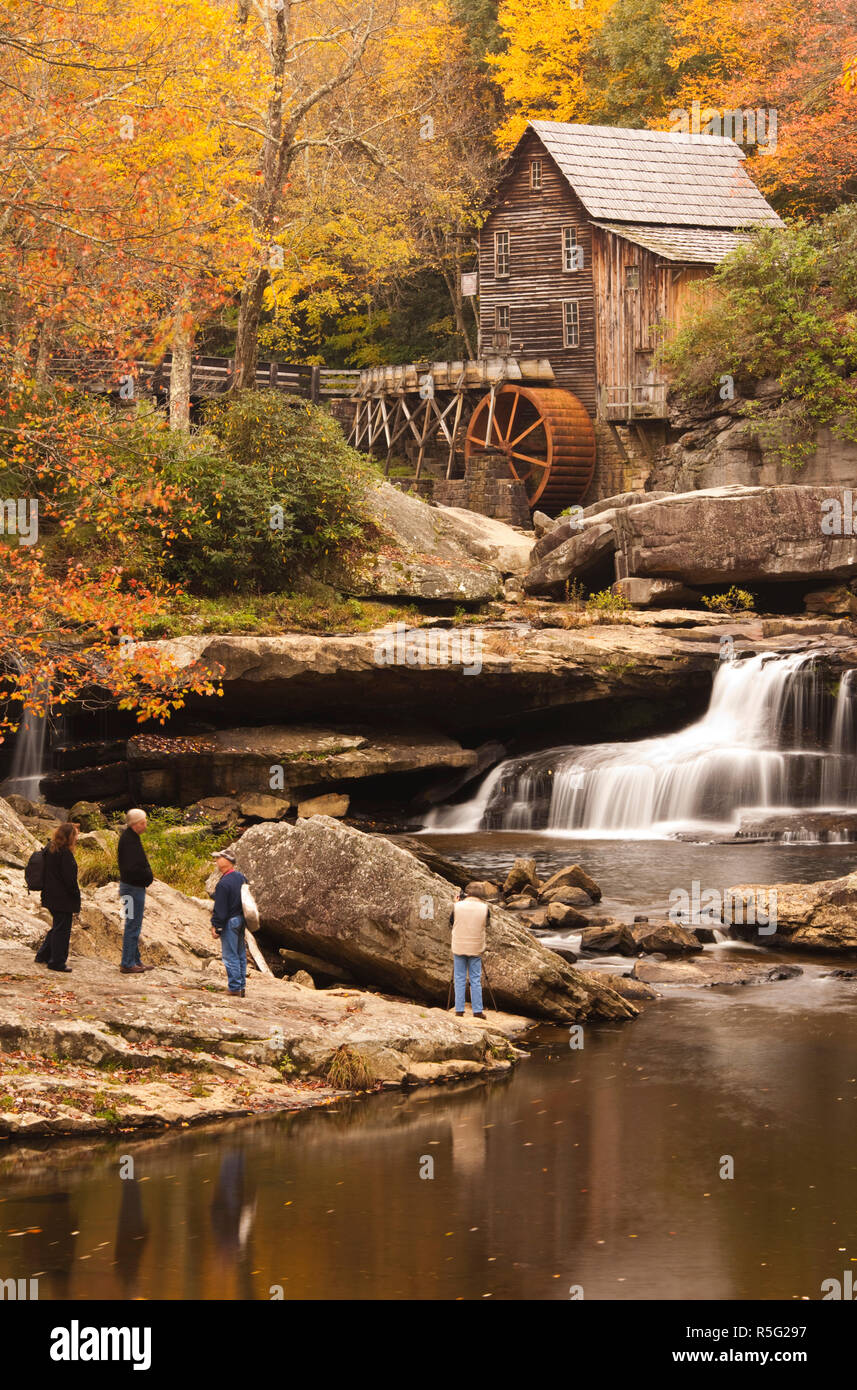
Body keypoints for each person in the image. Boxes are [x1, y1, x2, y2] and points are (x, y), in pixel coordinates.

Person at [35, 821, 81, 973]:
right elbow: (70, 880)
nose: (77, 837)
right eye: (75, 835)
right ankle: (57, 962)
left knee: (57, 926)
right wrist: (76, 895)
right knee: (62, 929)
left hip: (50, 895)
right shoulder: (65, 854)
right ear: (69, 837)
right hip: (62, 898)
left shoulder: (51, 848)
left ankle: (43, 955)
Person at [117, 809, 154, 975]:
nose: (145, 825)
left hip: (133, 888)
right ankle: (127, 962)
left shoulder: (131, 838)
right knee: (132, 924)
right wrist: (146, 876)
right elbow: (131, 868)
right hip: (132, 889)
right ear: (135, 824)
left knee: (134, 924)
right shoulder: (128, 841)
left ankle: (135, 960)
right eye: (143, 822)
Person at [210, 850, 248, 998]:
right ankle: (241, 985)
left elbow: (220, 909)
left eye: (218, 858)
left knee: (229, 955)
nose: (216, 861)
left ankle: (234, 987)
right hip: (240, 919)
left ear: (226, 861)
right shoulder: (240, 877)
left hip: (229, 922)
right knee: (240, 954)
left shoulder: (223, 883)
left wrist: (217, 927)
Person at [449, 888, 490, 1019]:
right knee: (475, 979)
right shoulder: (484, 908)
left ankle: (459, 1010)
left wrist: (456, 903)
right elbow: (487, 923)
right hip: (476, 947)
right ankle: (477, 1011)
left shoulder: (457, 906)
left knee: (459, 978)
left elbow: (451, 922)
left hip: (459, 945)